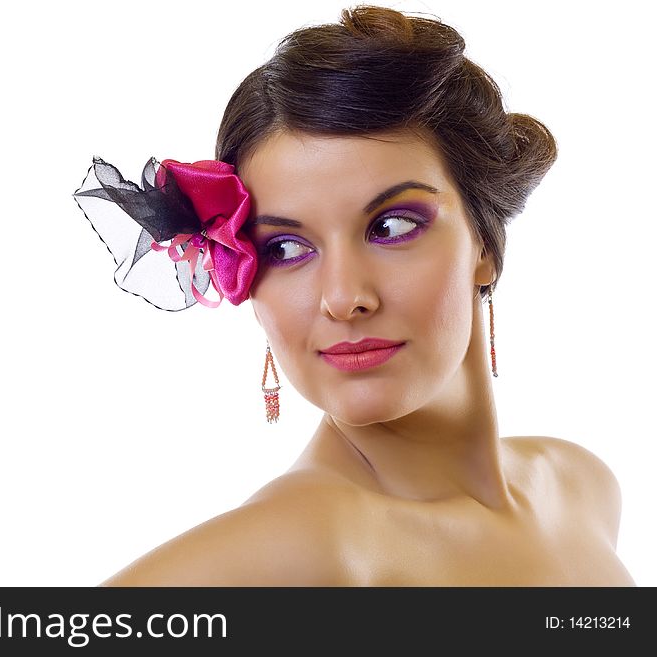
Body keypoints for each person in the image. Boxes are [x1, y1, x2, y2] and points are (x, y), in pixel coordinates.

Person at [73, 4, 635, 585]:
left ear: (484, 246)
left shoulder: (582, 489)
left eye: (392, 227)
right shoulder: (275, 561)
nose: (343, 298)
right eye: (285, 250)